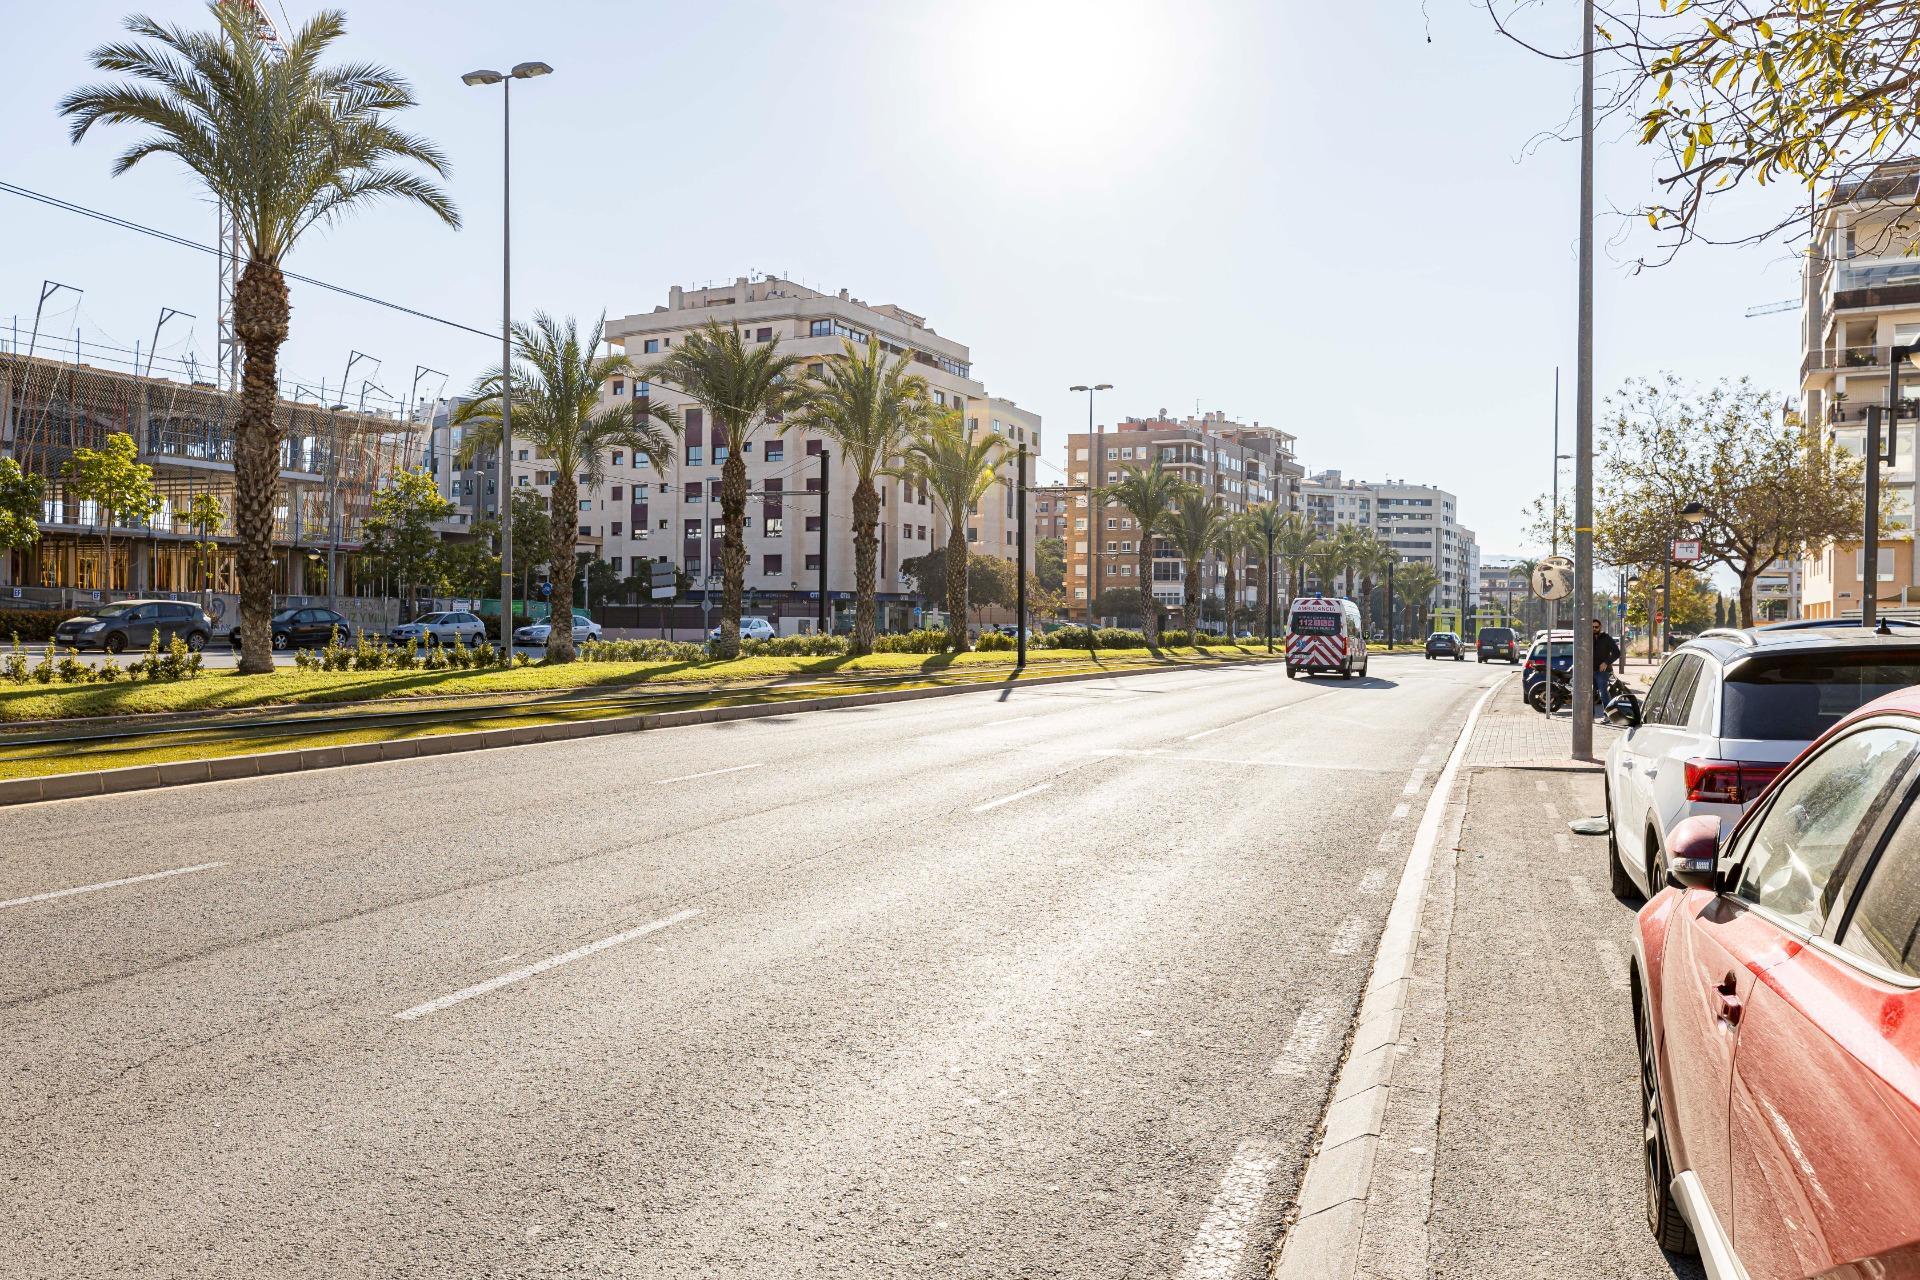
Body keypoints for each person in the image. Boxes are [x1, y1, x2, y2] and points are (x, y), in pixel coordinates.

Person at [1591, 618, 1622, 714]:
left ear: (1600, 627)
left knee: (1603, 693)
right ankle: (1590, 716)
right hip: (1588, 671)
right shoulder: (1586, 638)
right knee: (1589, 694)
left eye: (1596, 627)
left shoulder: (1606, 638)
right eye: (1592, 627)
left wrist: (1606, 663)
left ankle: (1608, 715)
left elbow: (1617, 653)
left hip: (1602, 671)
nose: (1594, 629)